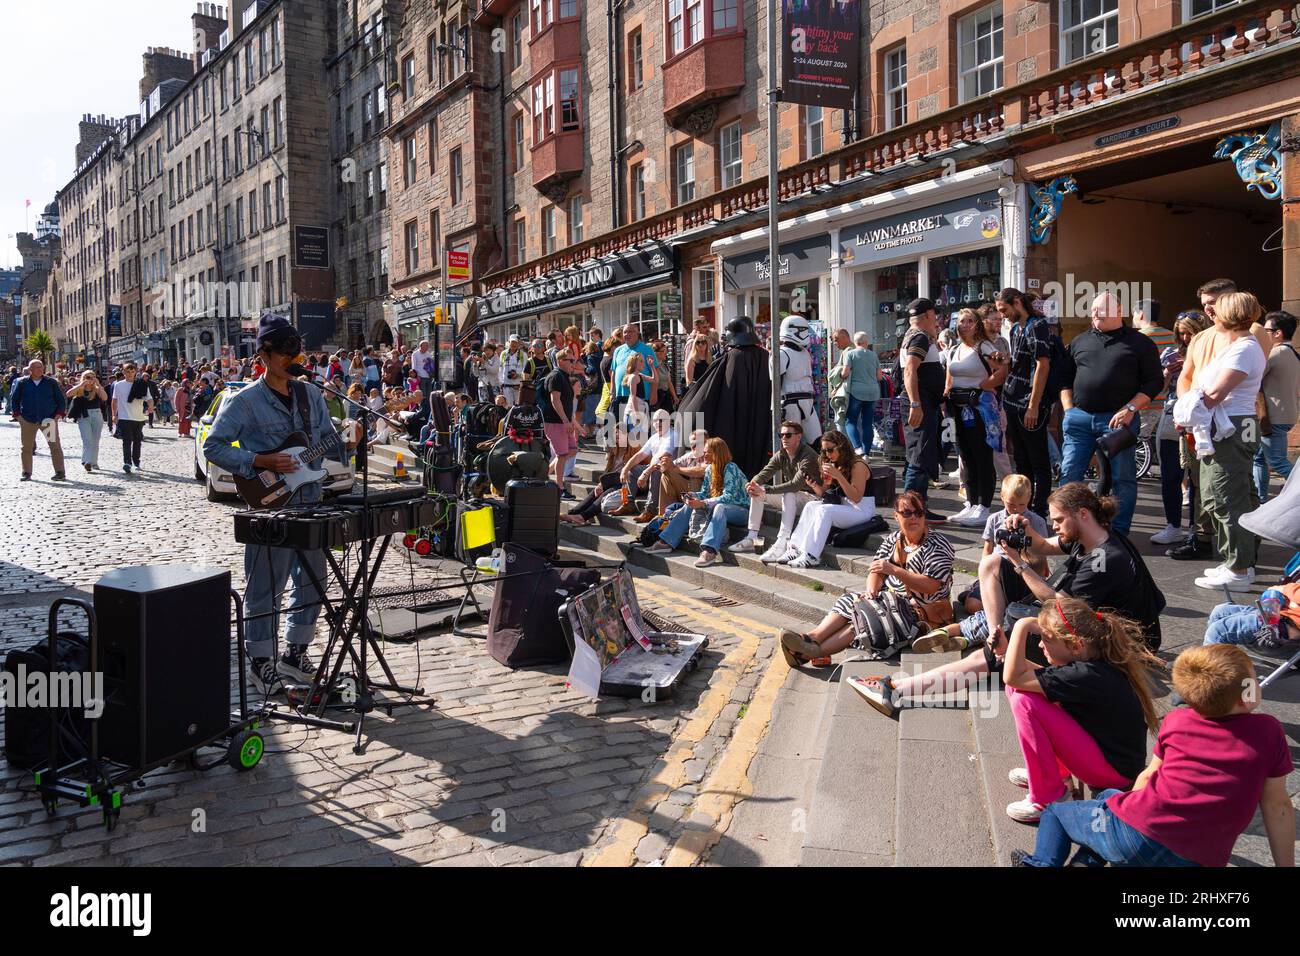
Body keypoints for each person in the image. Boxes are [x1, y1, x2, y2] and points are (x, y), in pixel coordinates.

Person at [847, 483, 1165, 718]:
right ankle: (995, 631)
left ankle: (896, 690)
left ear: (1082, 514)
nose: (1053, 526)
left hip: (1108, 643)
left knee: (983, 658)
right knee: (990, 564)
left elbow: (1058, 605)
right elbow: (1044, 546)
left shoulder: (1104, 561)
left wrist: (1020, 562)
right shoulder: (1091, 535)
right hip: (1081, 620)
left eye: (1057, 520)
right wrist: (1024, 529)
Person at [1014, 644, 1295, 867]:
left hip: (1134, 834)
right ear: (1245, 694)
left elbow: (1148, 777)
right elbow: (1278, 807)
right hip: (1199, 860)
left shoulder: (1177, 721)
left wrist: (1121, 814)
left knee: (1057, 813)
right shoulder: (1268, 732)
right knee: (1106, 799)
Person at [203, 314, 341, 695]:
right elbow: (212, 447)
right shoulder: (244, 402)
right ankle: (260, 661)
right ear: (264, 354)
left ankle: (295, 654)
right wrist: (259, 461)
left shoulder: (311, 395)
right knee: (266, 586)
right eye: (283, 352)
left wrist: (350, 438)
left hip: (310, 503)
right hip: (271, 506)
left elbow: (328, 440)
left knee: (313, 581)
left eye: (295, 350)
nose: (291, 357)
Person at [997, 596, 1163, 824]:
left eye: (1045, 638)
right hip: (1105, 758)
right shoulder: (1090, 667)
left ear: (1075, 645)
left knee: (1024, 701)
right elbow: (1022, 677)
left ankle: (1050, 797)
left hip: (1111, 773)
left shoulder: (1086, 675)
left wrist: (1022, 625)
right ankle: (1053, 776)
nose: (1039, 645)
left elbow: (1015, 676)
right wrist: (1007, 652)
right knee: (1018, 690)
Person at [780, 490, 953, 667]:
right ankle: (811, 639)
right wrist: (872, 591)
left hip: (921, 614)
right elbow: (876, 570)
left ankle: (809, 653)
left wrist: (894, 570)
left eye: (919, 513)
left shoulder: (937, 545)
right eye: (907, 513)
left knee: (865, 619)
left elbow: (930, 586)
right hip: (892, 601)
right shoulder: (895, 538)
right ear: (896, 516)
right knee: (852, 601)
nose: (914, 518)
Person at [1177, 292, 1268, 590]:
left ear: (1231, 314)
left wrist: (1187, 407)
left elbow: (1214, 394)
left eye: (1217, 309)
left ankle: (1239, 568)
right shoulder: (1238, 346)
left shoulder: (1243, 349)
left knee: (1228, 496)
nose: (1211, 313)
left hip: (1232, 428)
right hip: (1227, 427)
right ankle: (1235, 561)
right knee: (1224, 493)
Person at [1057, 292, 1163, 535]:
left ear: (1118, 312)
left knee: (1122, 477)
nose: (1095, 315)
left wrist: (1131, 408)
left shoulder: (1139, 343)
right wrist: (1068, 410)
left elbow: (1154, 382)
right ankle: (1069, 528)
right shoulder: (1080, 341)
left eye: (1100, 311)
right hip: (1079, 419)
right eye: (1092, 311)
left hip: (1118, 421)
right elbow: (1064, 378)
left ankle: (1118, 533)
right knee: (1070, 474)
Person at [926, 474, 1050, 650]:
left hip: (1024, 574)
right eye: (1011, 504)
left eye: (1021, 505)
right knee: (975, 605)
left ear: (1029, 498)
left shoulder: (1036, 522)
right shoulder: (994, 519)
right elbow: (987, 549)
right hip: (996, 572)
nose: (1016, 510)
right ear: (1002, 498)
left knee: (994, 610)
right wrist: (983, 576)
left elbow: (1043, 555)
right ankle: (973, 619)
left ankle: (966, 633)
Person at [773, 430, 875, 569]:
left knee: (824, 510)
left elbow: (856, 497)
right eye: (824, 451)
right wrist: (815, 486)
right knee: (811, 506)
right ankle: (794, 548)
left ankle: (812, 555)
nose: (827, 454)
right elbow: (824, 494)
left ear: (842, 447)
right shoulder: (835, 462)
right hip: (845, 506)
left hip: (862, 510)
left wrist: (839, 476)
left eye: (830, 450)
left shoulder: (858, 465)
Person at [944, 308, 1008, 528]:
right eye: (961, 321)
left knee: (982, 456)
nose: (965, 325)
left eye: (970, 321)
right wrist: (946, 397)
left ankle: (984, 505)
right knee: (966, 456)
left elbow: (1001, 368)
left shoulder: (984, 346)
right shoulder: (955, 349)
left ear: (977, 324)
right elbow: (950, 376)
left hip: (979, 408)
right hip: (959, 408)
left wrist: (986, 386)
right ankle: (971, 502)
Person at [645, 436, 749, 568]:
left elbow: (729, 497)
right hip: (719, 507)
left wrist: (704, 502)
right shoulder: (710, 469)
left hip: (741, 511)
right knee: (691, 503)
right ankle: (667, 541)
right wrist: (692, 496)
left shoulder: (730, 468)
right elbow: (704, 493)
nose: (703, 454)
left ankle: (709, 550)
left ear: (717, 453)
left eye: (707, 452)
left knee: (720, 507)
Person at [997, 288, 1054, 519]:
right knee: (1021, 458)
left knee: (1038, 459)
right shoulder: (1015, 329)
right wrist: (1004, 361)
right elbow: (1022, 361)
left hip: (1028, 402)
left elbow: (1043, 364)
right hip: (1013, 400)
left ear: (1017, 302)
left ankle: (1039, 510)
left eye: (1004, 310)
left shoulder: (1037, 325)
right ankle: (1025, 506)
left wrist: (1034, 404)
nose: (1003, 315)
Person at [730, 419, 820, 560]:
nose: (784, 438)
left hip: (813, 500)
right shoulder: (782, 454)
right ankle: (752, 536)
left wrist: (766, 489)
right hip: (795, 498)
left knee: (788, 493)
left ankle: (782, 541)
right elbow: (765, 473)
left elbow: (795, 485)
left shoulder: (808, 455)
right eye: (781, 435)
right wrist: (752, 484)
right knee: (757, 492)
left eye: (788, 435)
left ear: (799, 436)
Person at [898, 299, 946, 512]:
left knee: (919, 455)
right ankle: (911, 510)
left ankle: (919, 507)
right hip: (920, 402)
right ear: (928, 314)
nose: (936, 319)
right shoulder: (919, 337)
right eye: (934, 314)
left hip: (923, 401)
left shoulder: (916, 335)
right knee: (919, 456)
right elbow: (910, 370)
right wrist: (916, 404)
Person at [1254, 310, 1298, 503]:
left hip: (1273, 417)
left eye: (1267, 330)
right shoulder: (1294, 354)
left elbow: (1254, 377)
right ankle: (1260, 500)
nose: (1265, 334)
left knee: (1277, 461)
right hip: (1286, 415)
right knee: (1260, 459)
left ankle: (1261, 499)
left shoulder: (1275, 353)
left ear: (1278, 333)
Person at [607, 409, 679, 520]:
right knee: (631, 469)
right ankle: (627, 503)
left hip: (668, 472)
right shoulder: (654, 437)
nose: (658, 423)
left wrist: (645, 472)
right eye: (656, 420)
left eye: (662, 420)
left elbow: (662, 457)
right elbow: (640, 455)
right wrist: (625, 469)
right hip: (653, 468)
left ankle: (650, 510)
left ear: (669, 421)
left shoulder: (672, 435)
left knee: (655, 471)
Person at [9, 359, 67, 481]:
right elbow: (14, 400)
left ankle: (60, 472)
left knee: (55, 446)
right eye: (36, 367)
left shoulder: (51, 382)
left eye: (41, 367)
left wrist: (57, 416)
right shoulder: (22, 383)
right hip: (28, 420)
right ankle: (26, 472)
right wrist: (19, 417)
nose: (40, 369)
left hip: (48, 420)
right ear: (30, 370)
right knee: (26, 448)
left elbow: (61, 400)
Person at [778, 315, 823, 446]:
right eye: (802, 330)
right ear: (792, 330)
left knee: (817, 443)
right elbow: (775, 384)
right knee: (791, 444)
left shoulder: (805, 353)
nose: (805, 334)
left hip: (807, 403)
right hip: (789, 404)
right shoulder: (781, 353)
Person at [541, 351, 580, 494]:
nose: (573, 364)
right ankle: (559, 487)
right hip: (555, 422)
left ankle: (545, 474)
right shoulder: (556, 376)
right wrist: (565, 421)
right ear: (561, 360)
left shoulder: (564, 376)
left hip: (564, 422)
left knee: (572, 450)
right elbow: (555, 400)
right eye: (571, 360)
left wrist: (570, 421)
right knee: (562, 454)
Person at [837, 329, 881, 457]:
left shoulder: (850, 354)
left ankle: (858, 449)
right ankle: (866, 452)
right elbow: (879, 376)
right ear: (866, 342)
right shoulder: (874, 355)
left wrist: (838, 375)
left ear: (855, 342)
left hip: (856, 392)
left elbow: (845, 373)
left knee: (850, 421)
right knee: (868, 423)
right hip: (872, 392)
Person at [610, 324, 657, 427]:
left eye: (630, 331)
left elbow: (655, 371)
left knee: (637, 430)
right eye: (625, 332)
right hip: (620, 395)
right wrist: (612, 390)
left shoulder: (647, 349)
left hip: (639, 397)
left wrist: (654, 393)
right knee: (619, 427)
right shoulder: (618, 350)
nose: (627, 334)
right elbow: (613, 371)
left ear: (637, 334)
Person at [65, 370, 110, 472]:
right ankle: (87, 461)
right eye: (87, 377)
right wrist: (81, 384)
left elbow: (105, 397)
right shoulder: (80, 389)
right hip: (83, 416)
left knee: (95, 440)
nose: (89, 379)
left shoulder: (97, 389)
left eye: (92, 377)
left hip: (96, 414)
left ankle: (94, 462)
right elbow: (68, 394)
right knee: (87, 439)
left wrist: (98, 384)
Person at [111, 362, 151, 474]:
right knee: (127, 441)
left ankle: (136, 461)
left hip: (138, 417)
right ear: (123, 372)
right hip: (124, 417)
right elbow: (114, 401)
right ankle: (127, 462)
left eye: (132, 371)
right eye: (127, 372)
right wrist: (114, 414)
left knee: (137, 441)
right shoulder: (118, 385)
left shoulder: (141, 384)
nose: (129, 374)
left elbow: (149, 398)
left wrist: (151, 407)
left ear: (135, 372)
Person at [499, 335, 528, 407]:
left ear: (519, 344)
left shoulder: (523, 355)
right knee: (508, 406)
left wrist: (517, 375)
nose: (514, 344)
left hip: (518, 386)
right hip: (507, 385)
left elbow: (526, 371)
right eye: (512, 342)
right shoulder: (503, 354)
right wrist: (501, 383)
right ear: (509, 342)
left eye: (516, 342)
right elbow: (500, 370)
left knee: (519, 406)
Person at [650, 339, 678, 413]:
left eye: (666, 351)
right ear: (656, 353)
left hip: (666, 397)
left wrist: (675, 396)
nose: (666, 353)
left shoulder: (665, 366)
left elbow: (669, 382)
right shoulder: (651, 366)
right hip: (656, 397)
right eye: (663, 351)